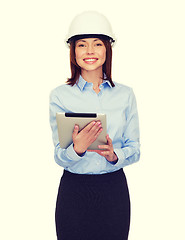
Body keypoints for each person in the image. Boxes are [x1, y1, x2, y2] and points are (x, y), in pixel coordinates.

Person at [49, 11, 140, 240]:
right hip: (74, 192)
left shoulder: (125, 95)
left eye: (97, 44)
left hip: (113, 192)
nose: (90, 51)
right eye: (82, 45)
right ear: (73, 52)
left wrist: (114, 155)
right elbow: (59, 155)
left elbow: (135, 148)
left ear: (107, 49)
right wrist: (77, 148)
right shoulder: (59, 96)